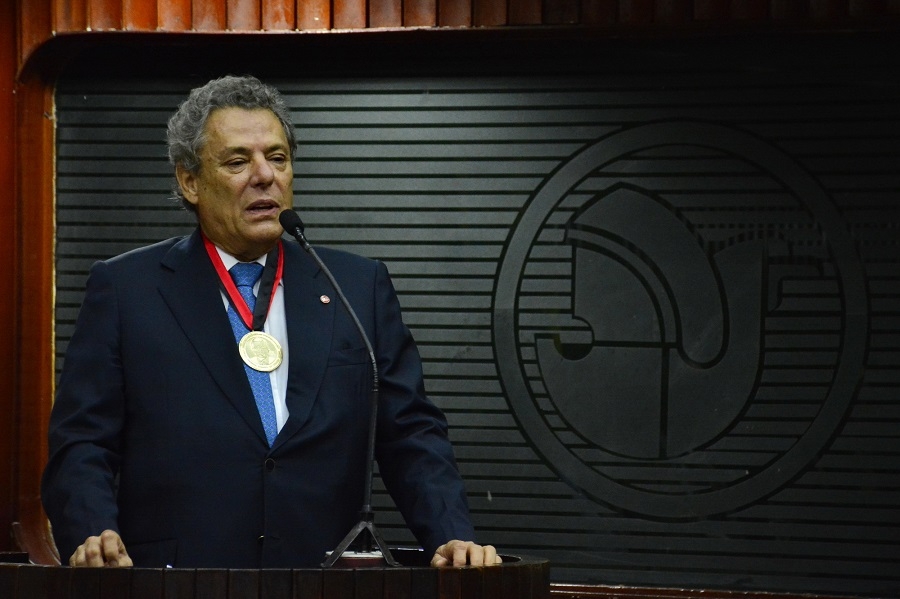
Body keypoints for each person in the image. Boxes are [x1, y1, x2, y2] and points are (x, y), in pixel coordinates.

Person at [41, 75, 499, 570]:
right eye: (238, 162)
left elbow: (410, 434)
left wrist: (451, 537)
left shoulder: (356, 286)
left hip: (323, 576)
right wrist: (93, 534)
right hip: (178, 579)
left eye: (277, 158)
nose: (265, 176)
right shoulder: (127, 289)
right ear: (190, 181)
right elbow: (83, 442)